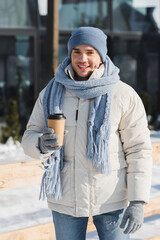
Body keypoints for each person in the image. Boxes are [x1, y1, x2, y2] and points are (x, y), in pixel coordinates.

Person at [21, 27, 152, 240]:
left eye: (90, 52)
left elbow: (139, 150)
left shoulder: (123, 94)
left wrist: (138, 201)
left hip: (111, 198)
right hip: (65, 198)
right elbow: (29, 136)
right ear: (70, 54)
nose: (83, 58)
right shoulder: (51, 92)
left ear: (101, 55)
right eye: (77, 52)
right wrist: (40, 144)